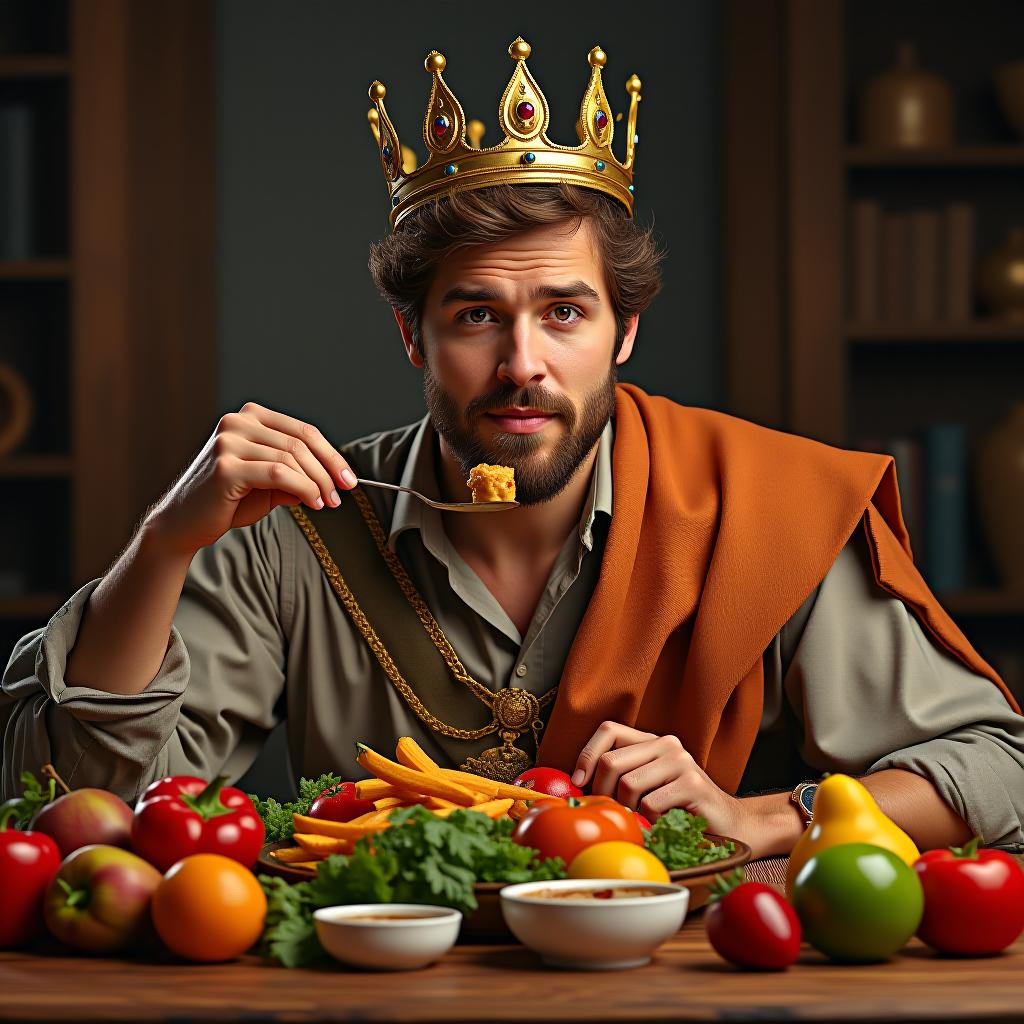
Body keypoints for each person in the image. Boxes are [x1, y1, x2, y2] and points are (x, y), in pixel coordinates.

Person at [3, 39, 1023, 861]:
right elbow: (75, 810)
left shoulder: (763, 505)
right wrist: (162, 544)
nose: (521, 362)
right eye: (476, 315)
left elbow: (995, 765)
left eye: (565, 312)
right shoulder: (297, 526)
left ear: (624, 334)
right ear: (414, 335)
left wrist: (765, 816)